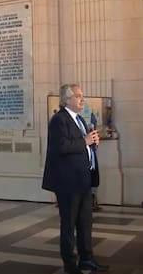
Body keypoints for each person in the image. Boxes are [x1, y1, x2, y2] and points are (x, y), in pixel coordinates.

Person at [42, 84, 109, 274]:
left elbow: (80, 147)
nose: (82, 99)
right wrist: (85, 142)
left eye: (82, 95)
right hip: (68, 183)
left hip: (83, 180)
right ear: (67, 99)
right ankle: (70, 266)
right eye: (78, 96)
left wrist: (92, 144)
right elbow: (60, 147)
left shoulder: (79, 119)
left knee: (85, 223)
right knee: (69, 225)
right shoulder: (58, 120)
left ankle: (86, 259)